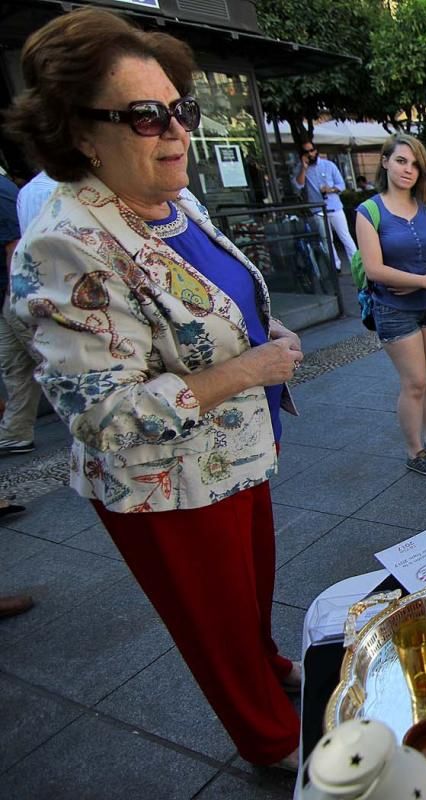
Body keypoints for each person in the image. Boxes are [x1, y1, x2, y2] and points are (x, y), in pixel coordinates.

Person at [4, 7, 304, 769]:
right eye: (145, 115)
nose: (175, 131)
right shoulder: (62, 241)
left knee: (251, 604)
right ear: (79, 129)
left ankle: (272, 674)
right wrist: (247, 370)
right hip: (164, 486)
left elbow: (218, 298)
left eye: (181, 110)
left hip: (236, 451)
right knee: (216, 627)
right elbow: (106, 418)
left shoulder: (175, 198)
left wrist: (266, 338)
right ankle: (273, 744)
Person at [356, 134, 426, 477]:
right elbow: (374, 269)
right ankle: (414, 451)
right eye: (401, 160)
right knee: (414, 381)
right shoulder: (369, 211)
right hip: (393, 308)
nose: (408, 169)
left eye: (415, 164)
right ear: (385, 161)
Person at [0, 168, 42, 458]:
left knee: (47, 357)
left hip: (15, 291)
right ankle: (15, 432)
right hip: (8, 293)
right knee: (14, 366)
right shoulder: (28, 190)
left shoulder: (5, 190)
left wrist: (18, 294)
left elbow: (14, 244)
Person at [292, 141, 357, 272]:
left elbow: (341, 185)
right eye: (307, 152)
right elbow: (298, 186)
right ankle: (335, 265)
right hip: (317, 209)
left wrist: (331, 189)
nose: (310, 154)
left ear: (316, 151)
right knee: (326, 239)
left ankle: (356, 264)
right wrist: (303, 168)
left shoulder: (329, 165)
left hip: (334, 207)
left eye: (312, 150)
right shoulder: (301, 168)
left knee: (345, 236)